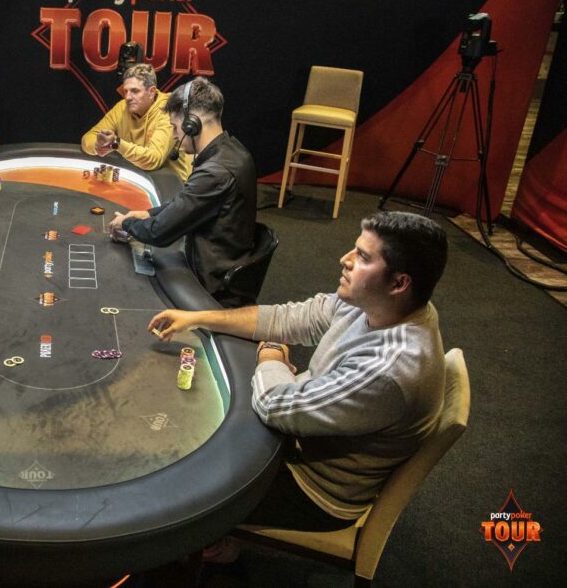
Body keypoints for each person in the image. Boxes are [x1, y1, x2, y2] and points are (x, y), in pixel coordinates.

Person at [149, 211, 448, 548]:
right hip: (301, 433)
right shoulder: (379, 302)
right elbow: (290, 319)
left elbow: (273, 406)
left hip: (312, 488)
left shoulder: (388, 368)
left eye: (363, 257)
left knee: (174, 489)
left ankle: (196, 551)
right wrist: (199, 318)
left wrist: (270, 354)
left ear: (398, 283)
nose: (345, 259)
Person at [109, 77, 257, 307]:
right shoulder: (232, 150)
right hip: (224, 262)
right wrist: (148, 213)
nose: (175, 135)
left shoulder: (215, 172)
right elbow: (186, 202)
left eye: (175, 127)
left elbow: (158, 232)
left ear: (191, 124)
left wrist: (125, 223)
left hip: (210, 284)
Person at [80, 63, 192, 182]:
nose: (128, 97)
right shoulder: (122, 107)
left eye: (135, 91)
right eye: (126, 91)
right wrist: (98, 145)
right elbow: (88, 138)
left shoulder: (169, 110)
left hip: (171, 185)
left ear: (151, 92)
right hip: (137, 180)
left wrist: (116, 143)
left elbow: (153, 160)